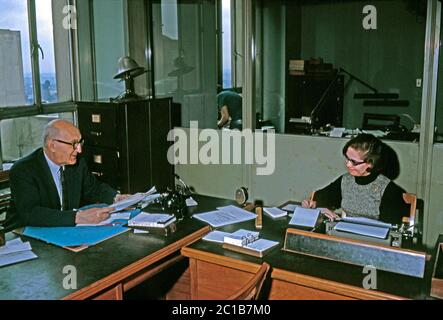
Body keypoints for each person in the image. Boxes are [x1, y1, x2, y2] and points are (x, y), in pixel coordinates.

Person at [7, 119, 130, 227]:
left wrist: (117, 198)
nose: (79, 150)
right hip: (24, 233)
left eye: (80, 142)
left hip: (62, 230)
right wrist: (77, 217)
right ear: (52, 145)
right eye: (74, 144)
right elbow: (30, 213)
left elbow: (94, 189)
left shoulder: (77, 163)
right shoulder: (23, 170)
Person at [302, 133, 410, 225]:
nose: (348, 164)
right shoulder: (346, 180)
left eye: (354, 162)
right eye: (347, 159)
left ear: (371, 164)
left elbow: (388, 227)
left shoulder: (389, 190)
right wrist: (314, 203)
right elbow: (323, 196)